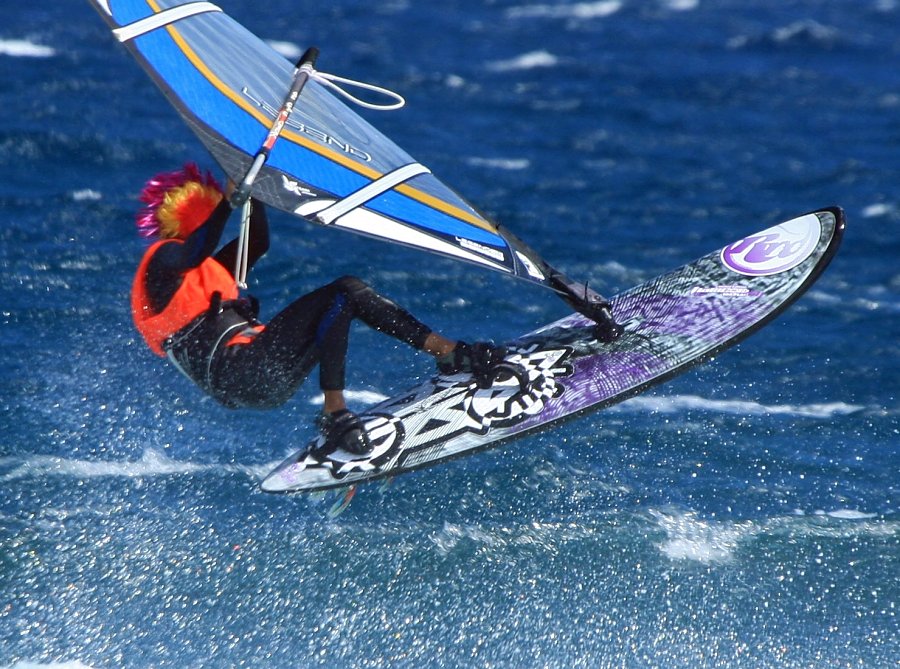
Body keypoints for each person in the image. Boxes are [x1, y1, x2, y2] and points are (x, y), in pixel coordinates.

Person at [130, 164, 505, 455]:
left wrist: (251, 186)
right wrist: (229, 203)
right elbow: (194, 250)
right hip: (242, 371)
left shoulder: (205, 271)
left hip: (259, 379)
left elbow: (256, 242)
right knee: (343, 291)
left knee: (347, 297)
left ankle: (448, 353)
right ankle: (336, 412)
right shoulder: (163, 263)